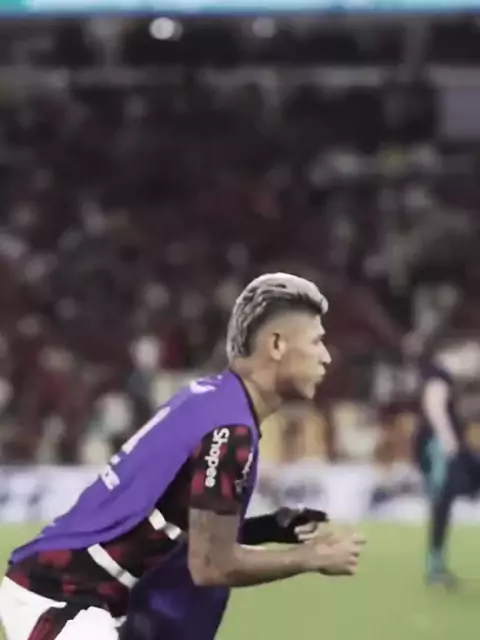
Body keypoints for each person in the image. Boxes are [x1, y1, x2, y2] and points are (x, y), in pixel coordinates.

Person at [0, 272, 365, 640]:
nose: (326, 357)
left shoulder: (209, 398)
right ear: (276, 344)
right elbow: (210, 565)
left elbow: (175, 526)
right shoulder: (230, 430)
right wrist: (312, 558)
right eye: (317, 341)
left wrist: (266, 529)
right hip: (59, 598)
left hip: (64, 589)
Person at [414, 343, 480, 587]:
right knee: (441, 502)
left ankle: (437, 566)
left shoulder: (446, 379)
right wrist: (447, 438)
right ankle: (435, 568)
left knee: (444, 502)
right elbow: (434, 407)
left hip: (447, 446)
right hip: (439, 447)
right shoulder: (439, 375)